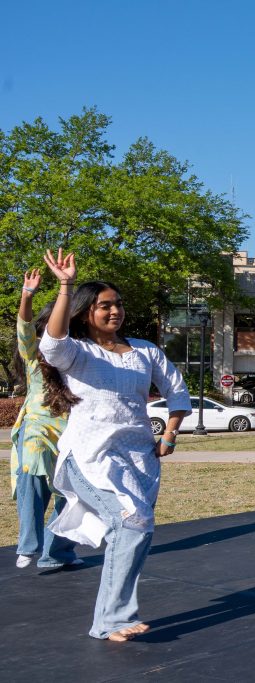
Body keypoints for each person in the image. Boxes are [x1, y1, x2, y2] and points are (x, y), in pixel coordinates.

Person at [39, 249, 191, 641]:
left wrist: (169, 434)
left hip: (140, 460)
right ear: (86, 311)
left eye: (118, 304)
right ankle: (110, 620)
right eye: (104, 305)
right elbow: (52, 344)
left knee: (135, 531)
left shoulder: (145, 350)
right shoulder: (78, 353)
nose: (114, 311)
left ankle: (115, 613)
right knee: (133, 523)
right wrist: (65, 286)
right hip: (91, 458)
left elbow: (177, 392)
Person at [11, 268, 80, 569]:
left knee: (74, 491)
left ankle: (57, 553)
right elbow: (24, 326)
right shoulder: (33, 351)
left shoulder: (78, 353)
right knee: (33, 475)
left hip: (74, 429)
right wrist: (27, 295)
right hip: (38, 426)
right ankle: (29, 544)